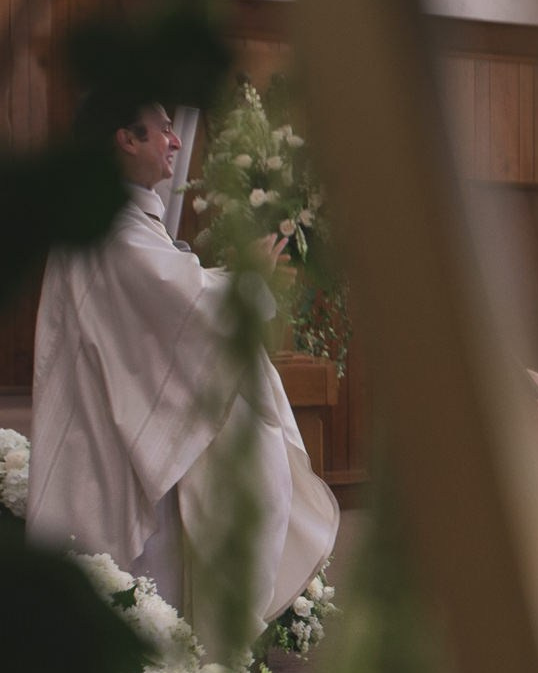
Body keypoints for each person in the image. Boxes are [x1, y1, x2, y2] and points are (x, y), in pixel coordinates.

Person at [27, 96, 338, 622]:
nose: (175, 142)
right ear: (127, 139)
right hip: (108, 442)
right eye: (163, 130)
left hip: (119, 419)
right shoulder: (105, 224)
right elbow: (179, 305)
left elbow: (172, 296)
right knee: (136, 600)